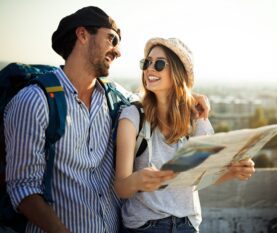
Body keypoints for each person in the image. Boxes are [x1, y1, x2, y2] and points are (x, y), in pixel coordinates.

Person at [4, 6, 211, 233]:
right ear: (82, 35)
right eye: (112, 39)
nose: (118, 51)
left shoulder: (115, 98)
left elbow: (157, 98)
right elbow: (23, 189)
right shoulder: (34, 101)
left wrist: (189, 98)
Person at [114, 37, 255, 233]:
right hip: (146, 226)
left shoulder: (196, 118)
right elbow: (121, 186)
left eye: (159, 64)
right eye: (146, 62)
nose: (149, 69)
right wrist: (138, 181)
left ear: (178, 73)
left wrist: (233, 171)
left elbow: (201, 176)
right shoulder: (133, 116)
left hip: (188, 225)